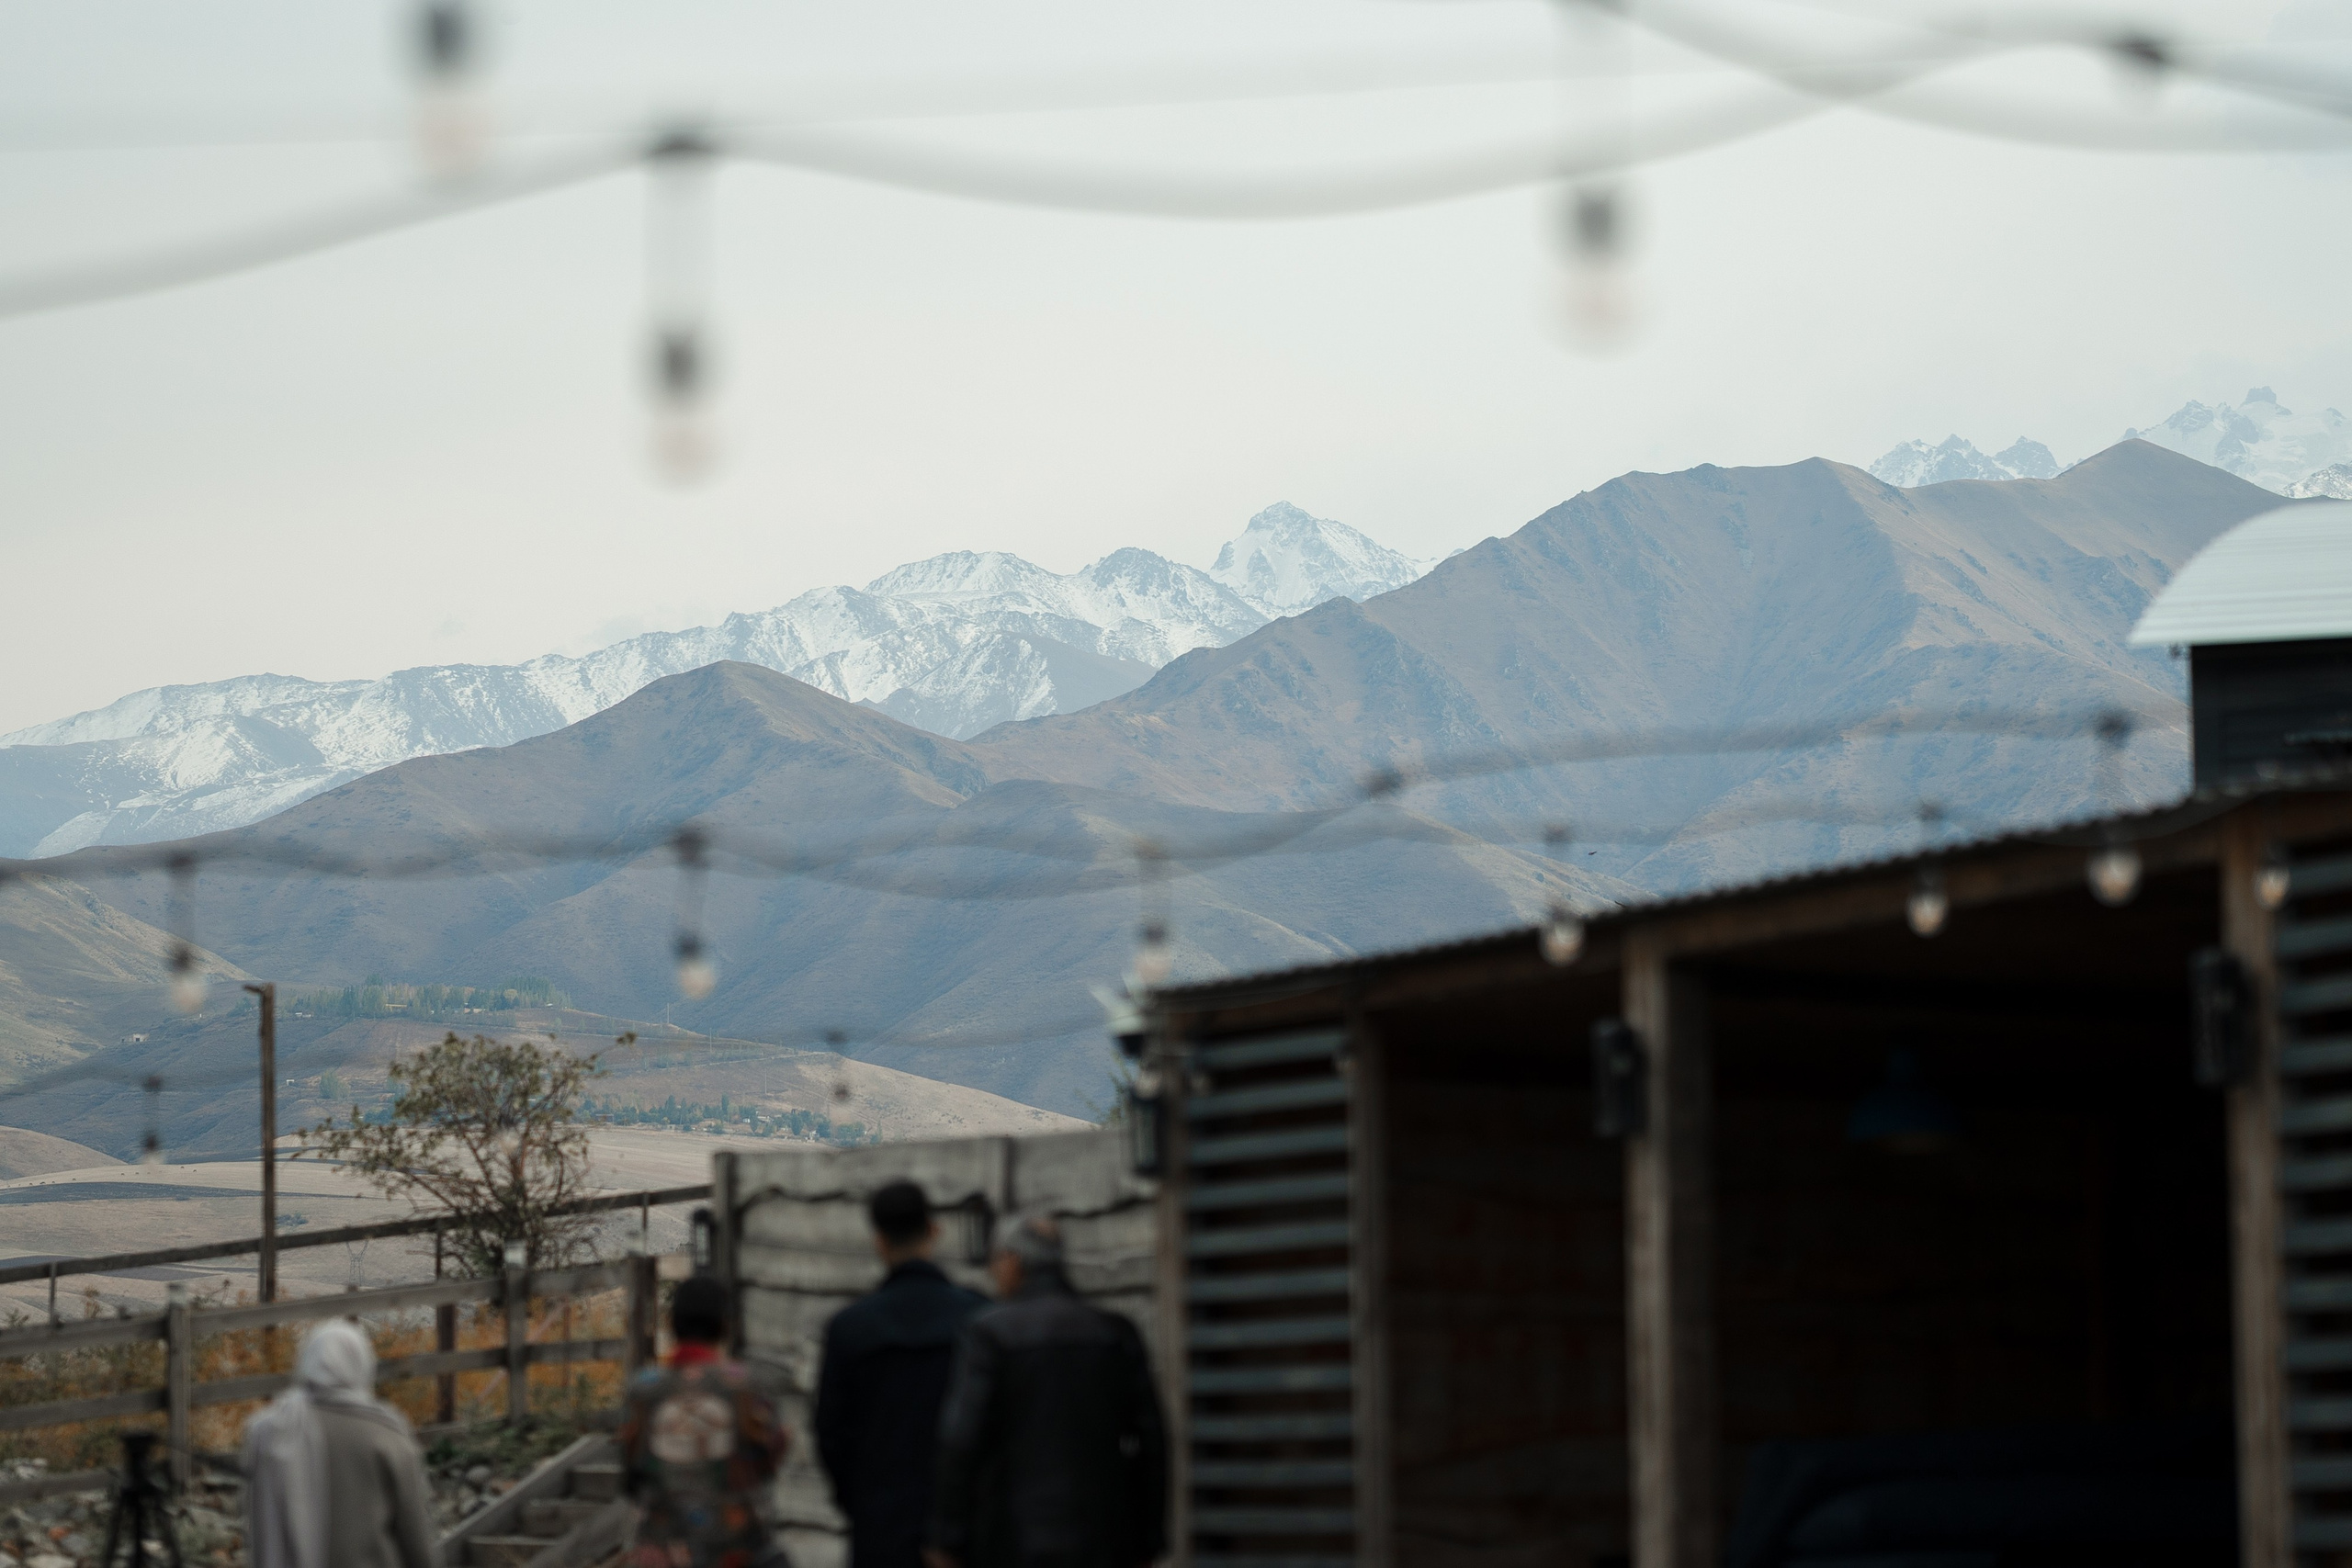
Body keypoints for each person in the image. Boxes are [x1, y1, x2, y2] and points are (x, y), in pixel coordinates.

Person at [925, 1213, 1168, 1568]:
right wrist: (1149, 1539)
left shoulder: (990, 1333)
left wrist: (946, 1538)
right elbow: (1151, 1441)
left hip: (1011, 1539)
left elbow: (961, 1439)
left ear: (1011, 1261)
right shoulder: (1115, 1332)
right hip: (1105, 1539)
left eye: (995, 1261)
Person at [816, 1181, 989, 1568]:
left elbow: (830, 1432)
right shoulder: (978, 1318)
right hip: (966, 1532)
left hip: (881, 1527)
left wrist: (861, 1502)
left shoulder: (850, 1328)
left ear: (879, 1240)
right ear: (933, 1229)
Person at [618, 1274, 790, 1568]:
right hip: (735, 1549)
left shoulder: (644, 1389)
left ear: (672, 1325)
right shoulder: (748, 1386)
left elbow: (631, 1473)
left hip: (665, 1551)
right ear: (726, 1325)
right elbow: (770, 1456)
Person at [243, 1318, 437, 1568]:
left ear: (307, 1362)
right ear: (362, 1363)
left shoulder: (269, 1430)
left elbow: (253, 1517)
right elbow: (415, 1533)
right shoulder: (388, 1435)